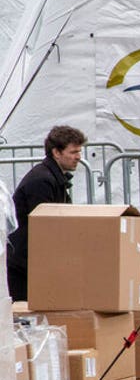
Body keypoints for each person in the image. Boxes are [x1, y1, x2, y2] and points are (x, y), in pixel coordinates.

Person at [6, 125, 86, 300]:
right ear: (56, 152)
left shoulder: (53, 177)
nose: (78, 157)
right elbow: (45, 226)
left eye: (79, 151)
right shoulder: (42, 180)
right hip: (23, 263)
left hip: (31, 260)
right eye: (73, 152)